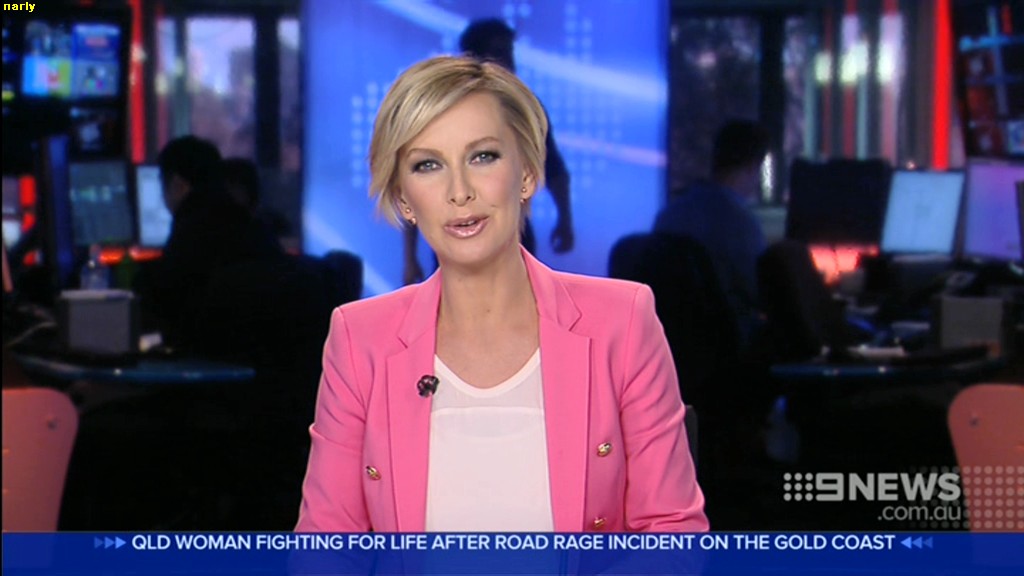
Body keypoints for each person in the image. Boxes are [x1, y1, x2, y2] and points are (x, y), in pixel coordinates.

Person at [296, 55, 707, 532]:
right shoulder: (358, 338)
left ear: (527, 173)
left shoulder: (623, 321)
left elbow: (672, 530)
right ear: (404, 198)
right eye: (428, 165)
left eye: (483, 157)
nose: (459, 191)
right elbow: (326, 544)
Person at [402, 18, 573, 284]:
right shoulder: (438, 112)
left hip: (516, 238)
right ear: (474, 59)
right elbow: (411, 186)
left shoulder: (525, 111)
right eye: (498, 53)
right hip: (453, 239)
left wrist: (565, 220)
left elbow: (554, 170)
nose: (507, 61)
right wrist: (410, 258)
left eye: (509, 53)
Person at [134, 136, 280, 349]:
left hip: (210, 358)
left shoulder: (191, 232)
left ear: (177, 185)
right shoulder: (250, 225)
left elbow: (166, 303)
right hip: (260, 356)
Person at [653, 119, 769, 349]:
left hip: (675, 348)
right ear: (753, 166)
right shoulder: (741, 222)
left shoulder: (670, 214)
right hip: (732, 347)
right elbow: (760, 292)